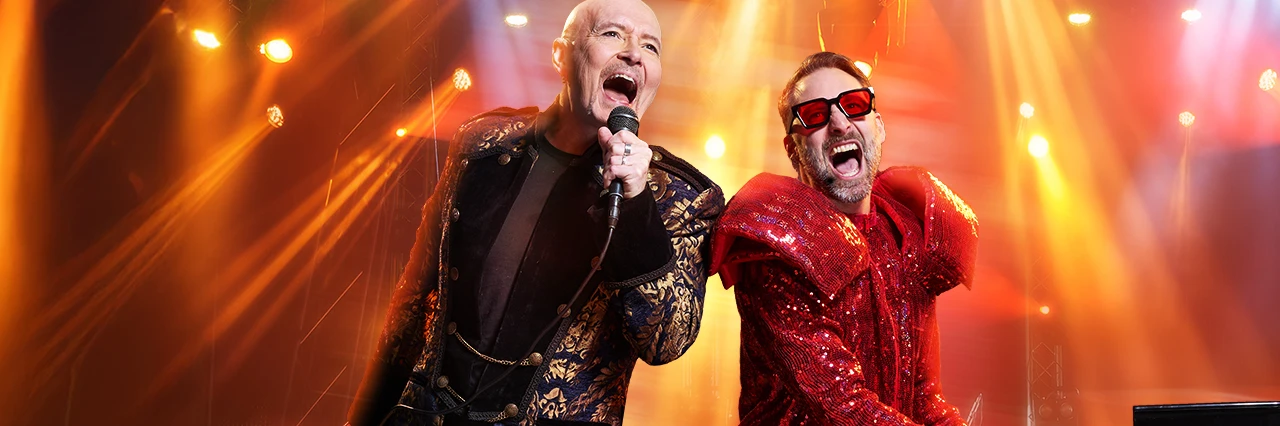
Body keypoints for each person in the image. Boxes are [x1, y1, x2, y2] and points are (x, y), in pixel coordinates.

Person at [348, 1, 724, 425]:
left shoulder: (682, 197)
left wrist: (635, 202)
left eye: (651, 46)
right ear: (561, 55)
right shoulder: (483, 144)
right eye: (612, 34)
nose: (634, 53)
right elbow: (415, 296)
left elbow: (666, 341)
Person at [709, 51, 978, 425]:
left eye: (853, 105)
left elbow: (924, 399)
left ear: (878, 127)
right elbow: (843, 407)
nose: (839, 123)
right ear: (793, 150)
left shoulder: (906, 235)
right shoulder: (777, 247)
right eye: (815, 115)